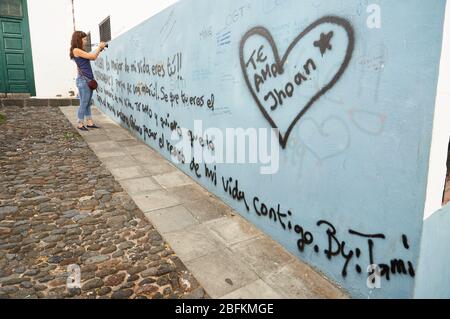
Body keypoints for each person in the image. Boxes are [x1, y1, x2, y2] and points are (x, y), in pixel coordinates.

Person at [70, 31, 106, 131]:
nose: (86, 41)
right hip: (83, 81)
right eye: (84, 39)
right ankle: (80, 123)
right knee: (84, 103)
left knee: (87, 102)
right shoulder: (76, 50)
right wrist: (99, 47)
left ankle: (89, 122)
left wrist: (100, 49)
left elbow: (90, 57)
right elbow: (93, 57)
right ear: (78, 39)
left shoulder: (80, 51)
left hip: (86, 80)